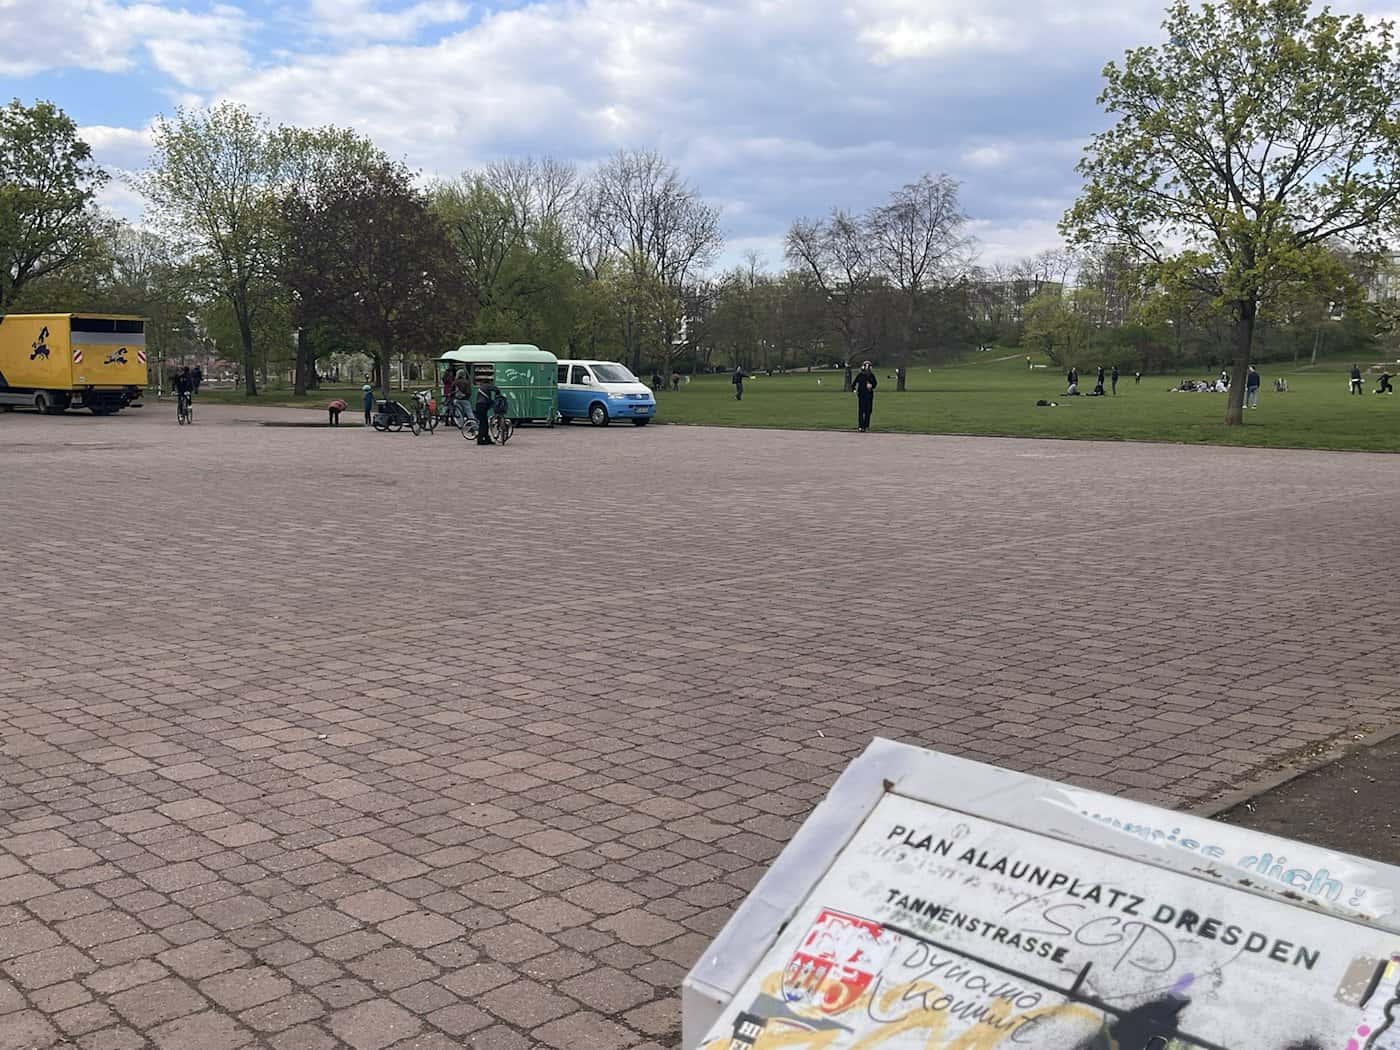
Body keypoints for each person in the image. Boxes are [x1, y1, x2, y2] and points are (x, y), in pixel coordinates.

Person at [473, 375, 502, 445]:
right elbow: (495, 389)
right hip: (482, 406)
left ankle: (486, 438)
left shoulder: (482, 388)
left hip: (479, 405)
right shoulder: (486, 386)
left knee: (484, 423)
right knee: (483, 424)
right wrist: (498, 394)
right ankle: (480, 440)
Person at [852, 360, 877, 431]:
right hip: (861, 395)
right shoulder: (860, 375)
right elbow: (854, 383)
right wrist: (854, 389)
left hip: (869, 395)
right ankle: (861, 426)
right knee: (861, 411)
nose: (867, 368)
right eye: (866, 366)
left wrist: (871, 385)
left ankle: (866, 426)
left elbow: (875, 384)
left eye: (868, 366)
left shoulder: (871, 375)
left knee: (868, 411)